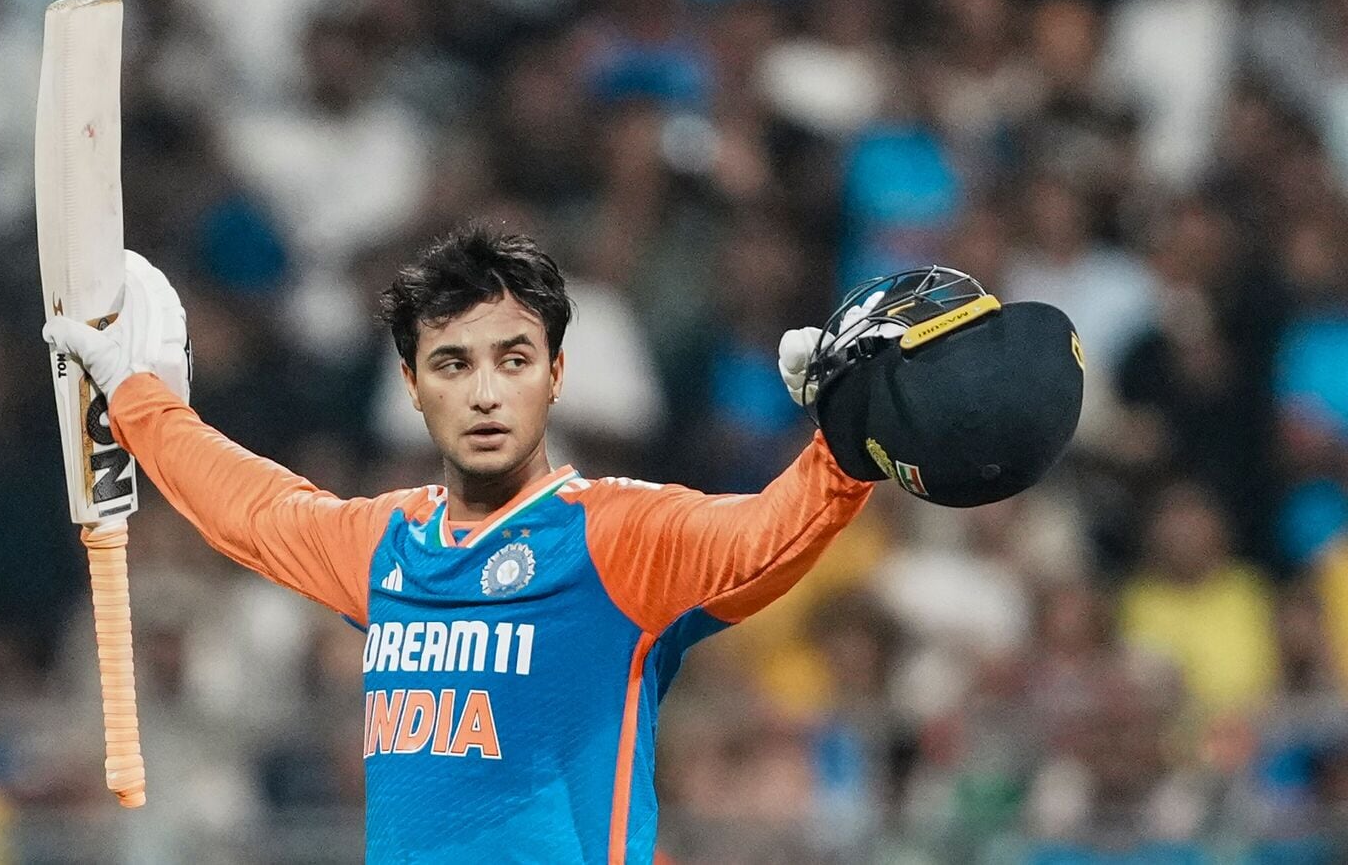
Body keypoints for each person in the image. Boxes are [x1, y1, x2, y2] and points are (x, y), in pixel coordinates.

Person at [43, 226, 872, 862]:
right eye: (450, 363)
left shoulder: (616, 532)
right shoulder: (387, 544)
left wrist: (848, 432)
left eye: (513, 359)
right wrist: (139, 401)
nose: (484, 393)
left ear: (555, 373)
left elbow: (768, 535)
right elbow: (253, 510)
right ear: (411, 384)